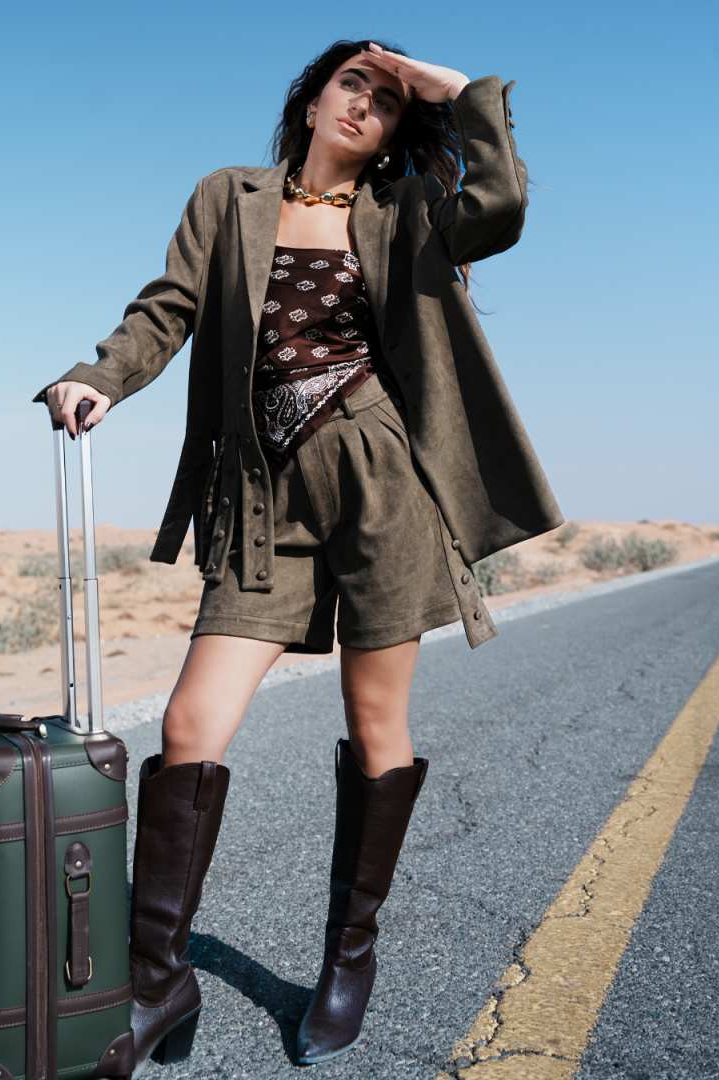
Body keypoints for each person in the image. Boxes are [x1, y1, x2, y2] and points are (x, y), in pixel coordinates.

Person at [33, 37, 564, 1073]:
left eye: (388, 99)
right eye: (354, 82)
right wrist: (101, 373)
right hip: (261, 496)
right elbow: (169, 308)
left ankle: (348, 955)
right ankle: (156, 982)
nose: (367, 104)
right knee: (190, 724)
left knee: (377, 729)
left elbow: (498, 206)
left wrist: (455, 94)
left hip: (379, 483)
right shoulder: (227, 197)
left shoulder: (403, 206)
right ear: (315, 95)